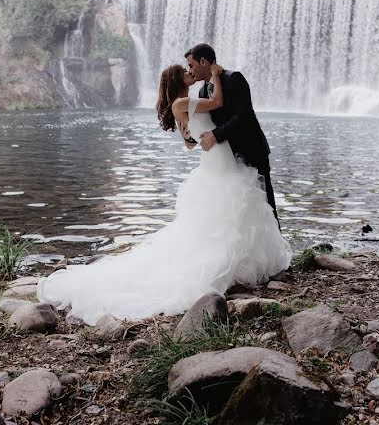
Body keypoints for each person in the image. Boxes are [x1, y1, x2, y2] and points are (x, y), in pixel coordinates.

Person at [36, 62, 291, 325]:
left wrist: (199, 132)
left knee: (228, 206)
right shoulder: (184, 103)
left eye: (190, 67)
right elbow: (216, 103)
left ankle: (241, 257)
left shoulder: (182, 104)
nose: (190, 72)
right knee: (232, 202)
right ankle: (234, 259)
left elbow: (190, 145)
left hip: (215, 157)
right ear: (177, 80)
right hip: (218, 158)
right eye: (185, 71)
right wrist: (215, 74)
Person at [185, 43, 278, 224]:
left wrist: (216, 135)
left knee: (265, 203)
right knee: (241, 205)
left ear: (203, 61)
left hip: (252, 149)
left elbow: (244, 115)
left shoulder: (234, 78)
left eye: (191, 65)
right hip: (228, 156)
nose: (190, 70)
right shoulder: (203, 90)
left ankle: (279, 249)